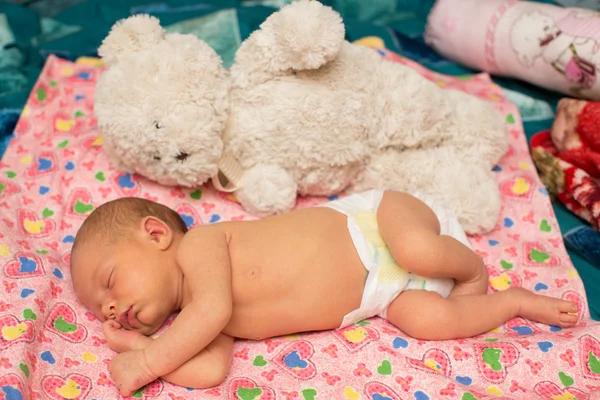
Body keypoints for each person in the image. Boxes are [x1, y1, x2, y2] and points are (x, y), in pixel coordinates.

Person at [70, 190, 578, 396]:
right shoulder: (197, 321)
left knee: (419, 249)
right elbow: (210, 371)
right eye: (100, 309)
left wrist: (144, 364)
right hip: (383, 293)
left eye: (109, 282)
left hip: (378, 223)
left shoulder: (200, 248)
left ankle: (470, 273)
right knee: (429, 322)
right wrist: (134, 346)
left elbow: (214, 306)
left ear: (156, 235)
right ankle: (511, 301)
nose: (109, 308)